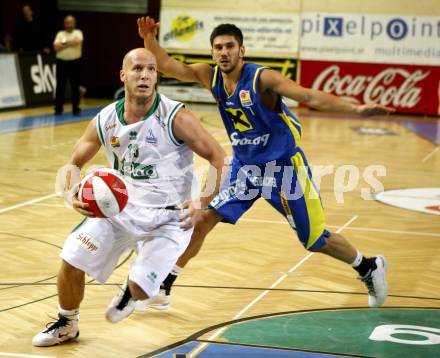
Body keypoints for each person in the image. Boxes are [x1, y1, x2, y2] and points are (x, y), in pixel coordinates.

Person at [136, 18, 394, 311]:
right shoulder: (210, 76)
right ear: (212, 53)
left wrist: (355, 110)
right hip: (245, 168)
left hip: (284, 168)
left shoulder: (262, 78)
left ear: (241, 50)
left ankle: (368, 266)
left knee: (314, 240)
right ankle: (164, 285)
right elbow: (167, 63)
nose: (224, 53)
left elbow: (307, 95)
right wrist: (149, 38)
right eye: (218, 48)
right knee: (203, 219)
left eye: (229, 46)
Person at [32, 48, 226, 347]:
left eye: (151, 69)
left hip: (170, 216)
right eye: (137, 69)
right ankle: (67, 323)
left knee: (140, 289)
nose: (145, 75)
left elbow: (217, 157)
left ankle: (132, 290)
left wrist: (202, 199)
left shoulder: (175, 116)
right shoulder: (106, 118)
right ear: (123, 75)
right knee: (71, 260)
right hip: (120, 209)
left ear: (157, 76)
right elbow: (74, 163)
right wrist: (72, 195)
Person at [53, 15, 83, 116]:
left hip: (75, 63)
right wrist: (70, 43)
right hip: (61, 63)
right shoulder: (60, 33)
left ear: (74, 23)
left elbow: (77, 41)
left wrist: (63, 43)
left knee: (75, 86)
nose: (69, 25)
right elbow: (56, 46)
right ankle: (58, 108)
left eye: (71, 22)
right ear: (64, 23)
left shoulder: (78, 33)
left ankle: (76, 108)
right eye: (67, 22)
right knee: (60, 86)